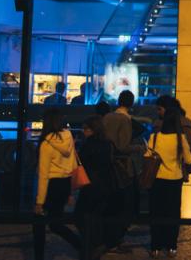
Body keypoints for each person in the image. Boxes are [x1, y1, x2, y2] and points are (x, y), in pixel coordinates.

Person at [34, 109, 81, 259]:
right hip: (64, 183)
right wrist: (70, 192)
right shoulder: (68, 137)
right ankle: (82, 246)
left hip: (51, 185)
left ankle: (39, 255)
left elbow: (44, 175)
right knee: (56, 222)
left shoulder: (46, 144)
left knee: (39, 222)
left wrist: (40, 201)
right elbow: (73, 165)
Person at [148, 107, 191, 258]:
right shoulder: (180, 138)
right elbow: (188, 160)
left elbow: (148, 155)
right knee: (173, 213)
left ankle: (155, 246)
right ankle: (171, 246)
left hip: (157, 180)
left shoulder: (154, 137)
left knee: (156, 212)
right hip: (174, 180)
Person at [103, 90, 142, 254]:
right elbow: (123, 146)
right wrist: (139, 148)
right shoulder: (126, 120)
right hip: (122, 167)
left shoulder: (107, 117)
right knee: (125, 204)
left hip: (106, 165)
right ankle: (116, 239)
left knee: (110, 204)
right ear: (131, 103)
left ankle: (107, 239)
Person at [76, 115, 116, 254]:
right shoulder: (108, 144)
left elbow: (81, 162)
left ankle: (89, 245)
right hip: (105, 184)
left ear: (92, 129)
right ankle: (97, 244)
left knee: (81, 216)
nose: (84, 131)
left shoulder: (89, 144)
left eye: (85, 129)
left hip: (91, 185)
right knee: (96, 217)